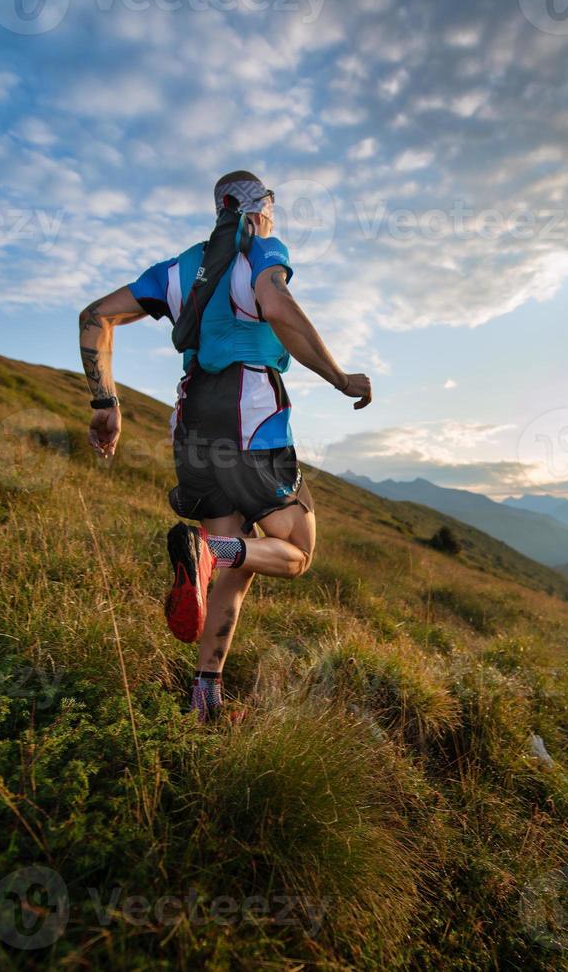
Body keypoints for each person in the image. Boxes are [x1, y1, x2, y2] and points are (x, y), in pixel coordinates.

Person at [77, 170, 372, 722]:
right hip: (249, 419)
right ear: (260, 207)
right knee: (298, 550)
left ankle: (205, 700)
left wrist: (105, 403)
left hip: (191, 423)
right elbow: (278, 306)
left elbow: (95, 316)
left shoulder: (176, 270)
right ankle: (208, 553)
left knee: (234, 566)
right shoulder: (261, 248)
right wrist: (338, 376)